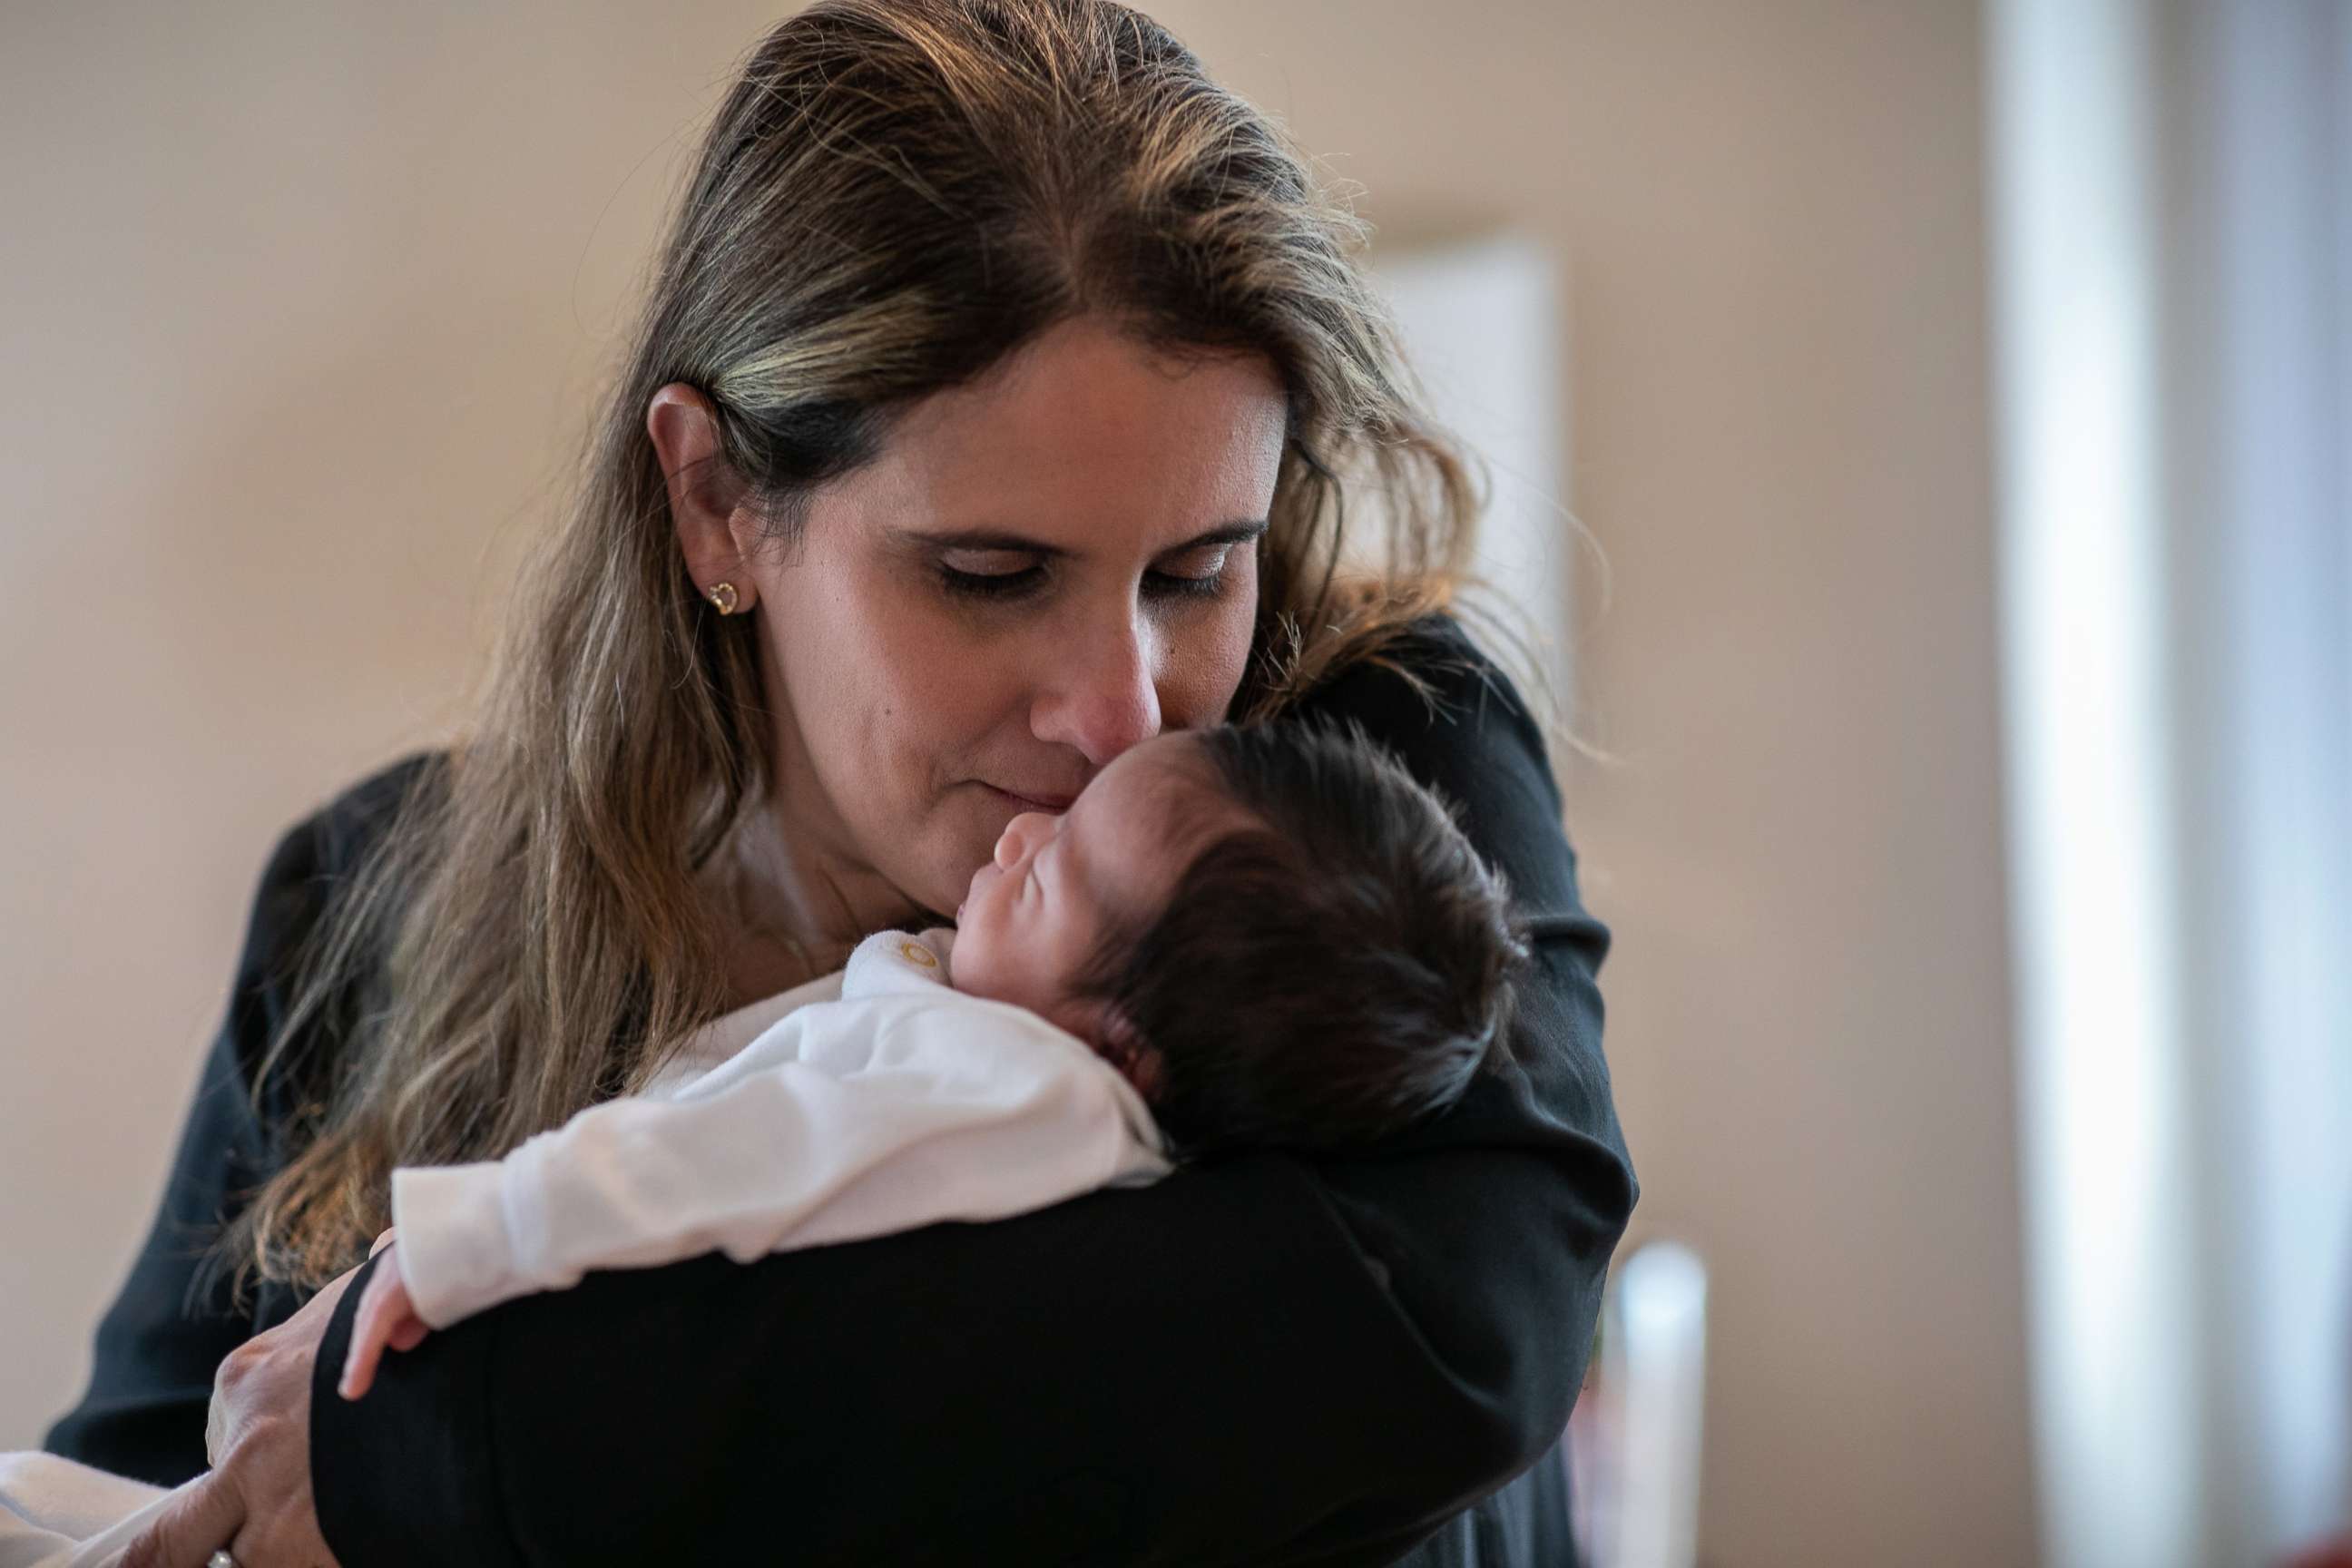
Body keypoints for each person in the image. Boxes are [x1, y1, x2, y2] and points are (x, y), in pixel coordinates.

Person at [44, 1, 1637, 1563]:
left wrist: (453, 1444)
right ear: (718, 499)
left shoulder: (1359, 791)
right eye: (993, 573)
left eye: (1196, 573)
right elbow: (146, 1490)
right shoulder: (377, 893)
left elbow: (1441, 1336)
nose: (1124, 715)